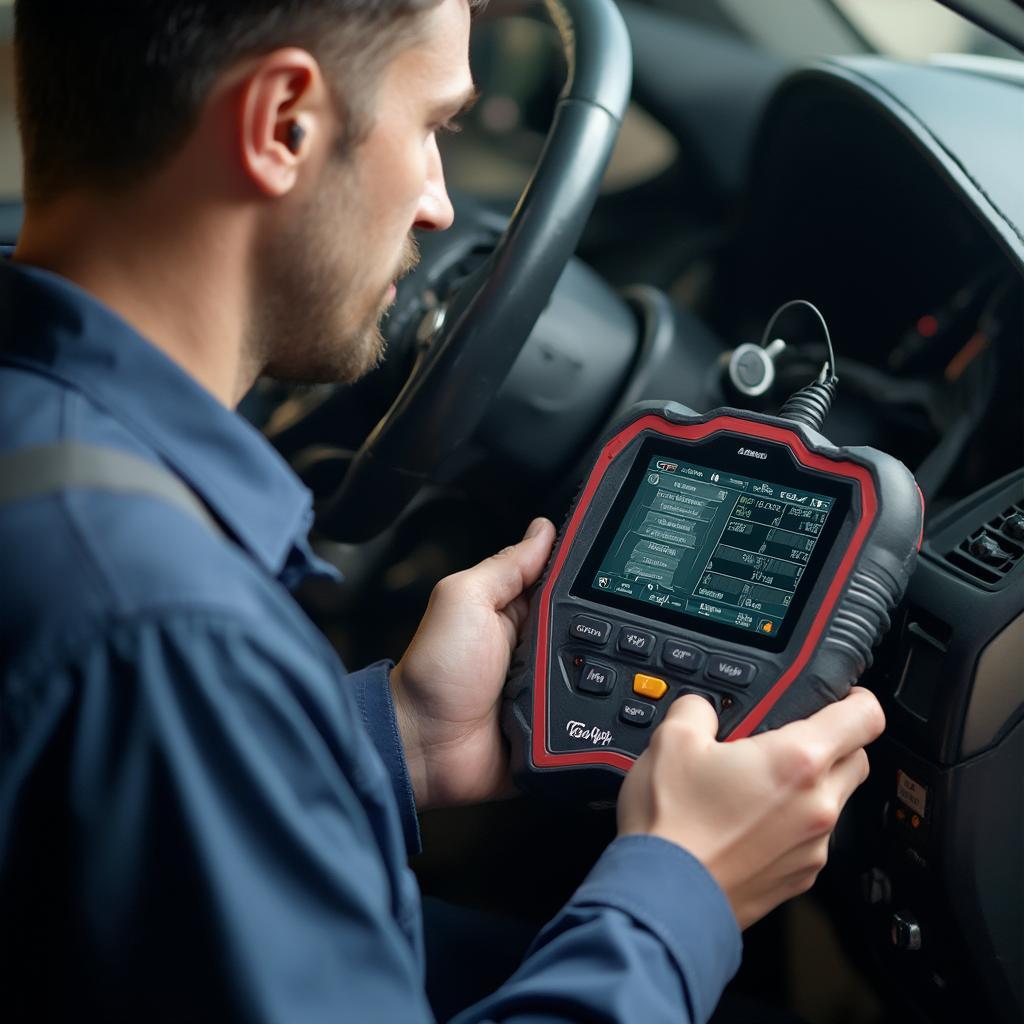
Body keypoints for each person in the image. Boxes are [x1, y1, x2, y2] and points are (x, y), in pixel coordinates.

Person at [0, 1, 886, 1021]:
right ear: (282, 122)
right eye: (432, 128)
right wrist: (686, 884)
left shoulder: (60, 471)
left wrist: (401, 742)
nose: (436, 204)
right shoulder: (164, 630)